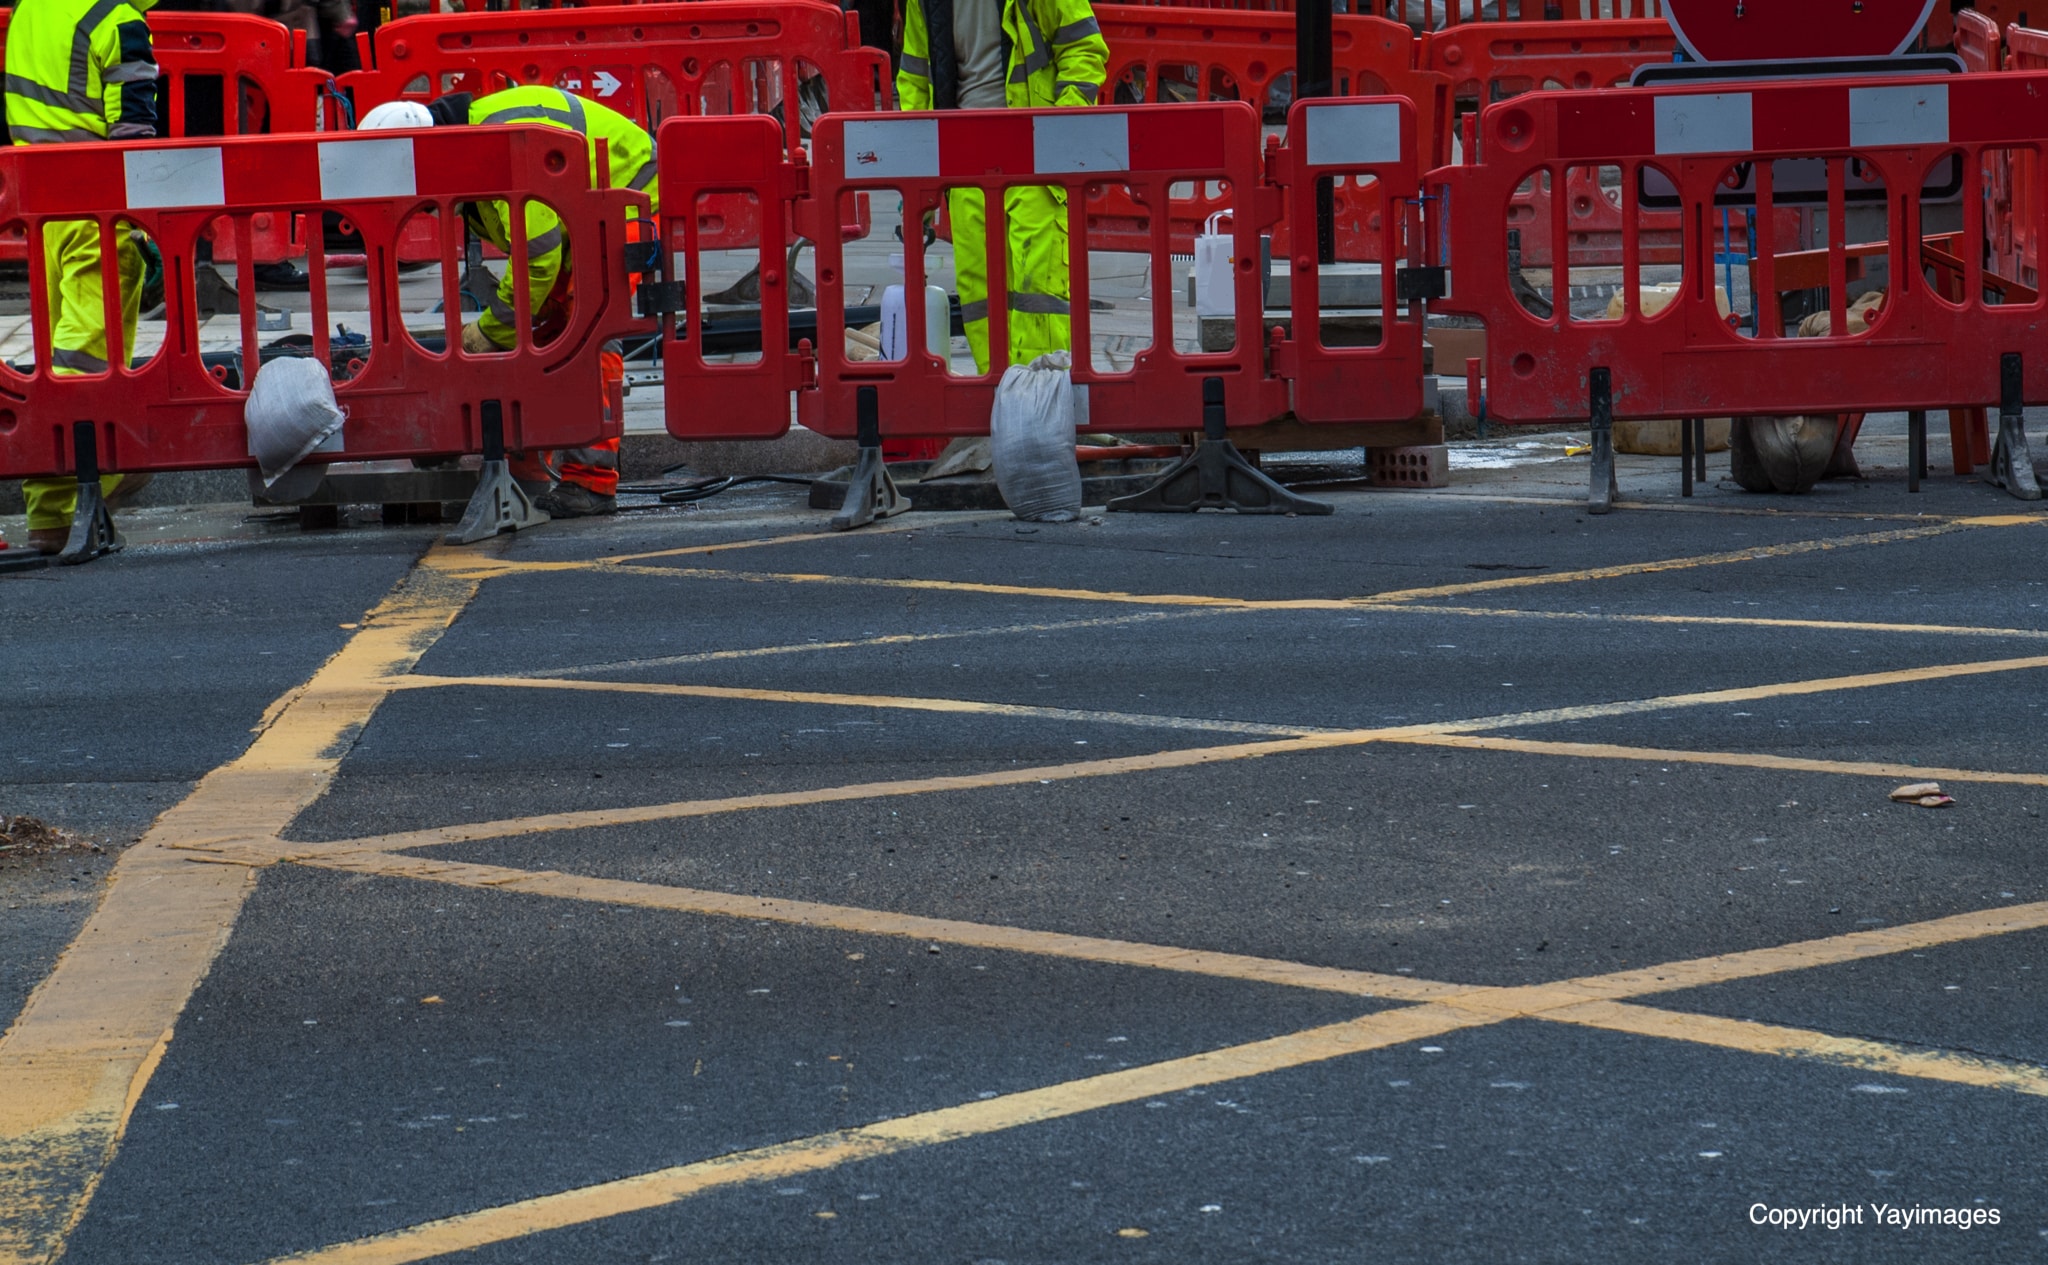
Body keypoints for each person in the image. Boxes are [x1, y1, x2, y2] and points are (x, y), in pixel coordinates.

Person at [360, 87, 656, 517]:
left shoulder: (497, 147)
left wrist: (490, 331)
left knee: (590, 329)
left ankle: (592, 483)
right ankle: (528, 468)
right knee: (549, 331)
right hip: (589, 211)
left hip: (630, 200)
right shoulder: (467, 148)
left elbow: (538, 255)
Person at [4, 0, 159, 553]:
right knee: (85, 355)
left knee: (57, 352)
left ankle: (48, 512)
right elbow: (135, 133)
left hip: (45, 205)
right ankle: (73, 496)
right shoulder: (116, 21)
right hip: (98, 208)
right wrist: (146, 224)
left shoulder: (31, 10)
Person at [896, 0, 1108, 374]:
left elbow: (1085, 47)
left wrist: (1060, 128)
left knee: (1038, 282)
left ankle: (1043, 394)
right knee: (980, 289)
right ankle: (997, 393)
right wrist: (916, 175)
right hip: (965, 153)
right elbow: (914, 79)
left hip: (1033, 148)